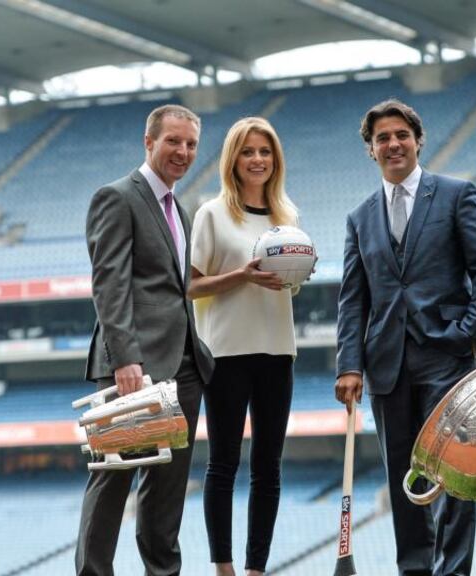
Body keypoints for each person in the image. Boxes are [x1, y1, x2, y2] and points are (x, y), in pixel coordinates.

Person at [335, 99, 476, 576]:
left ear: (418, 140)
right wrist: (349, 363)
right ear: (371, 150)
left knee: (451, 474)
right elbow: (352, 298)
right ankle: (415, 571)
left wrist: (468, 333)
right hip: (386, 365)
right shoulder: (359, 218)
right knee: (405, 477)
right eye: (382, 137)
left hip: (447, 358)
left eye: (401, 134)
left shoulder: (456, 194)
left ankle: (453, 571)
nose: (393, 144)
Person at [77, 103, 215, 576]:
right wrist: (126, 358)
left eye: (191, 144)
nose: (182, 151)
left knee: (168, 486)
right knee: (113, 477)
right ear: (149, 141)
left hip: (184, 365)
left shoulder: (182, 208)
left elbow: (180, 288)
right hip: (134, 365)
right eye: (173, 141)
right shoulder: (117, 197)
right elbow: (110, 283)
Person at [188, 117, 299, 576]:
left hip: (277, 350)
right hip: (227, 352)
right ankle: (224, 568)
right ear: (232, 160)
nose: (257, 160)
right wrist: (242, 275)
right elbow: (191, 287)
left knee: (268, 468)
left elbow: (288, 287)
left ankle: (256, 568)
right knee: (223, 464)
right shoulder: (212, 213)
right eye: (248, 152)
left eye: (265, 152)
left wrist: (293, 279)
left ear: (276, 160)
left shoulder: (288, 216)